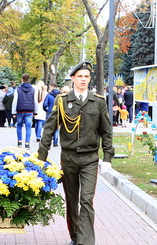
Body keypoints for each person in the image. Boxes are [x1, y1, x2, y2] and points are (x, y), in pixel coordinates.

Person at [37, 61, 115, 245]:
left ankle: (85, 242)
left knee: (86, 200)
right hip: (69, 158)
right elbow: (49, 129)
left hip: (90, 158)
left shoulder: (98, 102)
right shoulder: (62, 101)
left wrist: (108, 157)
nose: (83, 80)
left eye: (86, 76)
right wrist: (41, 158)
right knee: (72, 201)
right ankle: (75, 237)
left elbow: (106, 131)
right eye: (80, 76)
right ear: (73, 78)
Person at [12, 73, 38, 149]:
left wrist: (13, 112)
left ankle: (19, 142)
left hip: (20, 110)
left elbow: (15, 101)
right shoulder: (33, 89)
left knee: (19, 125)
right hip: (29, 111)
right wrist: (36, 111)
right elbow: (35, 101)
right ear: (29, 80)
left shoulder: (18, 89)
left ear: (22, 80)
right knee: (28, 127)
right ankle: (27, 144)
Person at [43, 81, 61, 147]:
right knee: (56, 128)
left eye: (50, 87)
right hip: (58, 112)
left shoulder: (49, 95)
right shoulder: (60, 95)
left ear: (53, 87)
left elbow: (45, 104)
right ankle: (55, 142)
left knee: (48, 127)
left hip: (50, 112)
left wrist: (46, 110)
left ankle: (47, 142)